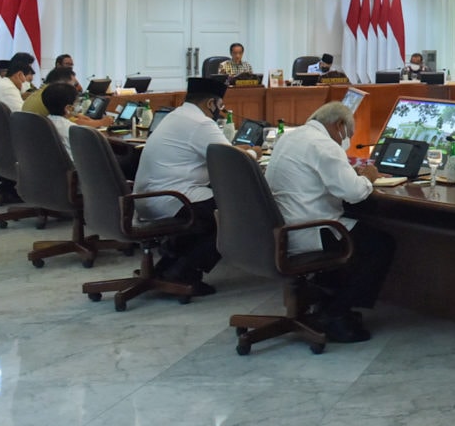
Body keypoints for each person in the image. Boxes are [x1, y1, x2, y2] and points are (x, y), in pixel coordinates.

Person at [264, 101, 397, 343]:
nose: (344, 141)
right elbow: (355, 193)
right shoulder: (324, 144)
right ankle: (336, 314)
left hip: (283, 228)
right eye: (348, 134)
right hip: (309, 230)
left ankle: (328, 300)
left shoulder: (292, 137)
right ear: (339, 125)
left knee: (360, 230)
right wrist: (369, 177)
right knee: (380, 244)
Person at [132, 77, 242, 294]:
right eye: (220, 106)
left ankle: (169, 265)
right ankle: (185, 270)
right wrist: (253, 152)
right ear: (211, 103)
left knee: (213, 205)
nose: (220, 111)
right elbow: (230, 159)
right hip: (172, 199)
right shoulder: (201, 123)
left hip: (148, 198)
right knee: (236, 212)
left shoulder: (177, 115)